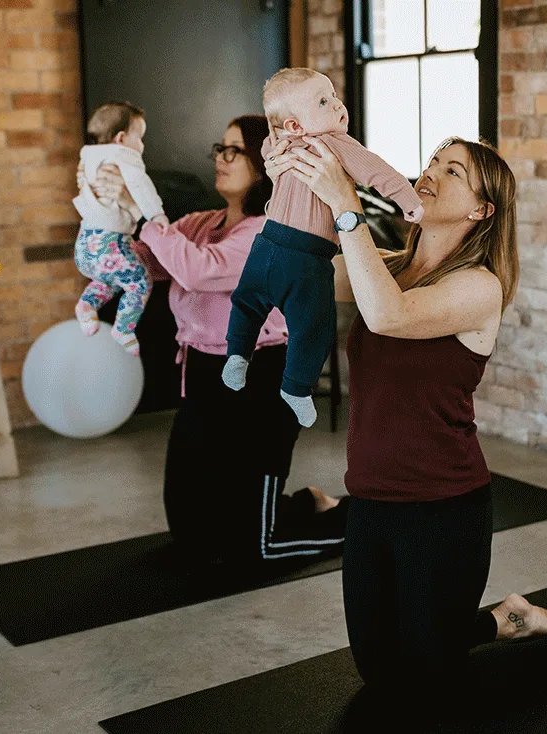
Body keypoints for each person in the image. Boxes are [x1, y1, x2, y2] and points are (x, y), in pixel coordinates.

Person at [267, 135, 547, 718]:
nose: (430, 173)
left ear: (483, 211)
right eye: (432, 161)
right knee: (380, 673)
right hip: (373, 500)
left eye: (452, 171)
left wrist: (346, 202)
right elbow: (291, 273)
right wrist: (292, 180)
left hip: (444, 508)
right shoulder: (387, 266)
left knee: (427, 692)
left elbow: (387, 316)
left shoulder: (479, 288)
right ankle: (506, 618)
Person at [84, 115, 347, 567]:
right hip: (204, 376)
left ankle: (368, 522)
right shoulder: (202, 222)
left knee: (255, 549)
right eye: (219, 149)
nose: (221, 160)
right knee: (191, 529)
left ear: (265, 163)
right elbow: (153, 260)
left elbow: (197, 269)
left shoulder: (270, 232)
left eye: (234, 151)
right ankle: (306, 503)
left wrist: (146, 215)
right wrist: (110, 221)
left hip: (262, 384)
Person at [223, 68, 422, 427]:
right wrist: (410, 203)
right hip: (307, 258)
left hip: (265, 246)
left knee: (247, 302)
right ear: (297, 126)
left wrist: (276, 132)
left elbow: (268, 145)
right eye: (323, 101)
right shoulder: (335, 144)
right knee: (313, 326)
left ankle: (237, 354)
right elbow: (378, 172)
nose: (337, 105)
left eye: (333, 96)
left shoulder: (279, 146)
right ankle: (296, 388)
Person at [72, 101, 169, 355]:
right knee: (140, 281)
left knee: (109, 279)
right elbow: (141, 187)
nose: (142, 146)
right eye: (141, 138)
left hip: (84, 248)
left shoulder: (89, 156)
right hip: (110, 244)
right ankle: (124, 328)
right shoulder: (124, 155)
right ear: (122, 138)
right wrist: (156, 214)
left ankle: (87, 305)